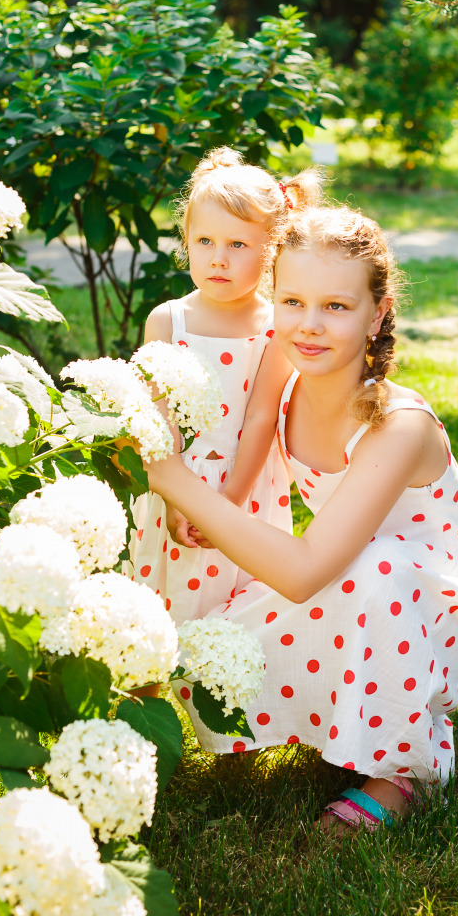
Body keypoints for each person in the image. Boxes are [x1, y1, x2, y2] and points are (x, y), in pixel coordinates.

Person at [145, 204, 458, 831]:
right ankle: (336, 712)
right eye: (291, 303)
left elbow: (304, 570)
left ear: (377, 315)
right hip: (345, 575)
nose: (309, 326)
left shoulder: (397, 425)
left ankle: (406, 772)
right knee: (207, 656)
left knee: (370, 565)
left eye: (336, 308)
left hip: (433, 600)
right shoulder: (283, 392)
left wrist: (169, 477)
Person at [126, 147, 324, 630]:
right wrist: (179, 501)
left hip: (245, 489)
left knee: (240, 616)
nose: (218, 258)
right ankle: (145, 691)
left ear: (272, 250)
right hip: (172, 485)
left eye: (238, 245)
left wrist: (227, 505)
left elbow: (260, 416)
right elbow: (159, 419)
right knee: (154, 610)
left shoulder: (275, 326)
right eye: (205, 241)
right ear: (186, 242)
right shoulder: (168, 321)